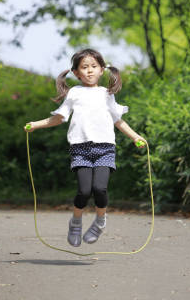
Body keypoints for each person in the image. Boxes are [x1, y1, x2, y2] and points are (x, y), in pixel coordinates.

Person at [25, 48, 146, 247]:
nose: (89, 71)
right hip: (80, 149)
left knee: (100, 188)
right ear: (76, 72)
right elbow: (59, 118)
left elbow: (118, 121)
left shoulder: (107, 94)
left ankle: (100, 222)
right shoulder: (74, 93)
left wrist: (136, 137)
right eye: (84, 67)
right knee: (83, 190)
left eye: (93, 66)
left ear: (101, 70)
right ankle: (76, 223)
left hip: (105, 149)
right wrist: (35, 124)